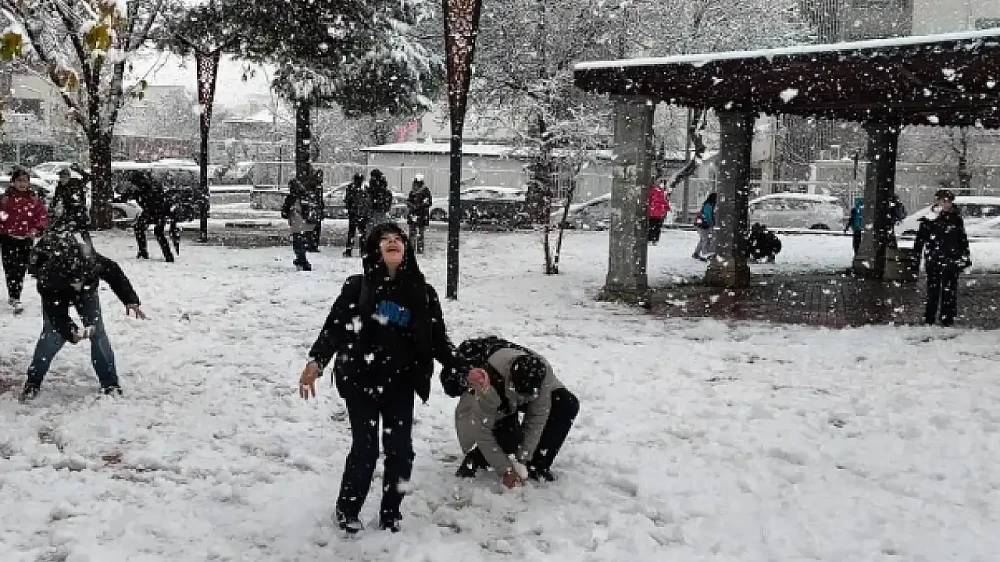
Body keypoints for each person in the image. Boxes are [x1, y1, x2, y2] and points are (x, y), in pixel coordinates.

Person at [297, 223, 480, 534]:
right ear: (375, 250)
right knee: (365, 449)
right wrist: (316, 362)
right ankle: (348, 508)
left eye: (398, 239)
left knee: (400, 450)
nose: (393, 243)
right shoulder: (357, 287)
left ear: (406, 249)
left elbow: (438, 340)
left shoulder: (422, 292)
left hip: (400, 382)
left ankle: (391, 513)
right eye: (386, 240)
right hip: (359, 379)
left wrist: (465, 368)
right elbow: (334, 327)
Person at [20, 225, 146, 401]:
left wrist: (130, 299)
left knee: (98, 332)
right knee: (51, 334)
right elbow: (55, 313)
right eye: (75, 281)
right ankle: (33, 381)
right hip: (57, 294)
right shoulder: (48, 276)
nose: (77, 284)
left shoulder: (92, 260)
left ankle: (110, 383)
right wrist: (69, 331)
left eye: (81, 279)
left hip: (88, 293)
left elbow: (114, 273)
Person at [442, 336, 579, 487]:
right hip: (489, 400)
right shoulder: (489, 382)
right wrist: (506, 470)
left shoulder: (543, 374)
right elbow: (482, 431)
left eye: (531, 395)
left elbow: (537, 417)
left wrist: (523, 460)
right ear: (512, 381)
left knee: (567, 404)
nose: (528, 399)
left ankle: (537, 467)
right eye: (524, 395)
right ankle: (475, 458)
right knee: (509, 438)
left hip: (513, 391)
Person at [913, 189, 971, 327]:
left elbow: (962, 239)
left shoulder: (956, 219)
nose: (946, 204)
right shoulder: (929, 219)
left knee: (949, 290)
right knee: (933, 291)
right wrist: (916, 259)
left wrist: (965, 256)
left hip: (951, 259)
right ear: (937, 201)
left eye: (949, 201)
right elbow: (920, 240)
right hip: (934, 260)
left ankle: (947, 318)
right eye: (943, 201)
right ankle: (930, 317)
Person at [0, 168, 49, 314]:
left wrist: (36, 229)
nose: (22, 184)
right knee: (10, 269)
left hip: (26, 240)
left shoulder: (34, 200)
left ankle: (15, 295)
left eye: (25, 181)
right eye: (19, 180)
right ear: (13, 182)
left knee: (20, 269)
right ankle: (14, 296)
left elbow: (42, 217)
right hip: (8, 239)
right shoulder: (5, 199)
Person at [127, 171, 175, 262]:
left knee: (153, 231)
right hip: (157, 211)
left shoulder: (146, 189)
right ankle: (166, 255)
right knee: (153, 231)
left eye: (133, 183)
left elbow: (151, 202)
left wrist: (149, 214)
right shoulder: (144, 188)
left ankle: (144, 252)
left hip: (157, 211)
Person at [281, 177, 321, 271]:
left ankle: (302, 261)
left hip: (297, 223)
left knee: (298, 243)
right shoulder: (305, 196)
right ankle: (301, 259)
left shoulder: (292, 198)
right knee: (301, 243)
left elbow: (285, 212)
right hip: (306, 224)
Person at [50, 164, 90, 232]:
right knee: (57, 229)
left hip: (79, 209)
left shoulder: (76, 183)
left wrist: (79, 170)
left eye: (64, 177)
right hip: (68, 211)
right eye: (61, 177)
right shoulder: (59, 187)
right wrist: (51, 208)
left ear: (69, 177)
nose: (62, 179)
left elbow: (88, 177)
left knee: (83, 230)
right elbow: (56, 198)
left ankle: (88, 242)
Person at [343, 173, 371, 257]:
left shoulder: (351, 188)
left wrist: (350, 209)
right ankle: (363, 251)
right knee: (362, 233)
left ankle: (349, 250)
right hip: (362, 214)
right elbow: (368, 201)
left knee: (351, 232)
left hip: (353, 213)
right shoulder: (365, 189)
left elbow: (347, 200)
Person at [405, 174, 432, 254]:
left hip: (420, 215)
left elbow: (428, 202)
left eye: (415, 184)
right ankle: (413, 248)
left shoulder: (425, 192)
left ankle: (419, 249)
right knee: (413, 233)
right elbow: (409, 201)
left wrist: (417, 206)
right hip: (415, 215)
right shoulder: (412, 192)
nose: (414, 186)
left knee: (419, 233)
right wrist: (410, 204)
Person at [691, 192, 716, 260]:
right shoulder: (708, 205)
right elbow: (708, 216)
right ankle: (705, 254)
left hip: (700, 224)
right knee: (705, 239)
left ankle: (696, 253)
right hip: (702, 225)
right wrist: (711, 224)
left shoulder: (707, 204)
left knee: (703, 239)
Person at [368, 168, 394, 233]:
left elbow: (372, 193)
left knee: (373, 228)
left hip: (375, 209)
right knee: (380, 228)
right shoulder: (382, 184)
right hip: (381, 209)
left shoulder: (374, 183)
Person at [306, 169, 325, 253]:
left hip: (315, 209)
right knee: (314, 228)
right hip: (314, 209)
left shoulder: (317, 186)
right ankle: (312, 245)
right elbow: (316, 198)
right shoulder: (315, 186)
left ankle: (312, 245)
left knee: (314, 228)